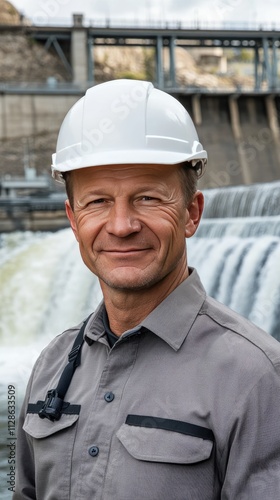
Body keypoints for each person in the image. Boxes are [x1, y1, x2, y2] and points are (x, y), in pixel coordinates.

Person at [14, 79, 280, 500]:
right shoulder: (52, 365)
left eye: (148, 199)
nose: (121, 226)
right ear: (72, 219)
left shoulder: (257, 378)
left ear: (192, 214)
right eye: (97, 202)